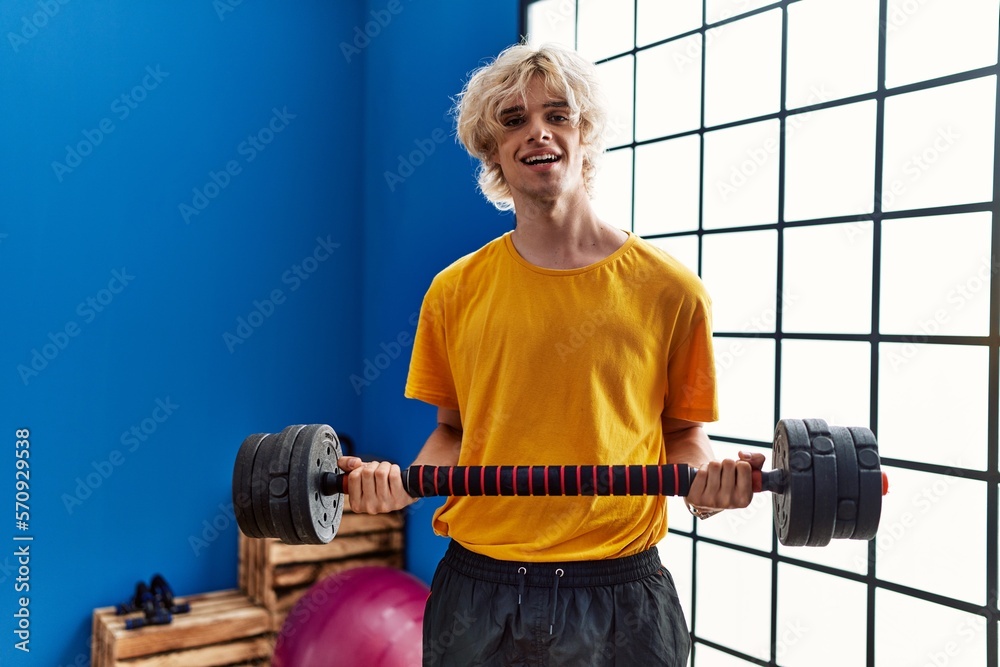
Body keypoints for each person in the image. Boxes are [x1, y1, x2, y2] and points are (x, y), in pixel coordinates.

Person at [338, 42, 765, 667]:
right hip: (479, 594)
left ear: (584, 133)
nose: (537, 132)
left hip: (619, 596)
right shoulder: (454, 292)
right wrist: (399, 487)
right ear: (493, 150)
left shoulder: (671, 291)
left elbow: (684, 437)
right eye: (513, 120)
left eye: (557, 115)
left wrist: (708, 488)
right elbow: (453, 433)